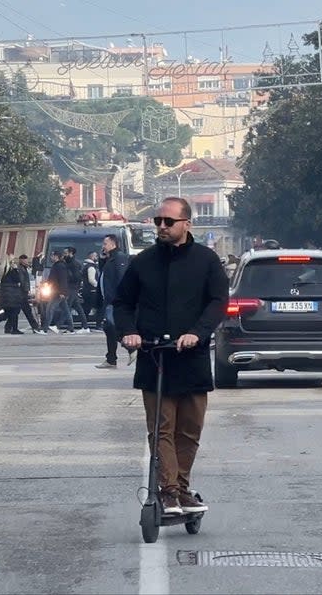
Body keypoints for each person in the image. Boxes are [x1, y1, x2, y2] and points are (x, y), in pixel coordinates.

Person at [114, 197, 229, 516]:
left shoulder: (206, 260)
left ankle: (181, 487)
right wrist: (128, 332)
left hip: (191, 357)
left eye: (168, 222)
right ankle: (168, 492)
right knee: (162, 427)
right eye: (158, 221)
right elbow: (121, 303)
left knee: (190, 429)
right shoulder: (143, 262)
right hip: (154, 356)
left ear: (187, 225)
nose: (161, 227)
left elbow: (218, 301)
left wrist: (198, 332)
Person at [96, 233, 130, 369]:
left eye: (105, 244)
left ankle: (131, 347)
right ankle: (111, 358)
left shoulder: (120, 258)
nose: (103, 247)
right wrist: (102, 259)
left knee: (112, 327)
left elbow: (122, 279)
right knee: (109, 328)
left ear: (113, 244)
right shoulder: (110, 259)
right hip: (108, 300)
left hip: (114, 301)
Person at [0, 256, 25, 334]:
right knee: (13, 312)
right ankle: (13, 329)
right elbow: (18, 279)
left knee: (10, 313)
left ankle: (8, 328)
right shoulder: (12, 270)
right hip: (11, 295)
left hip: (5, 295)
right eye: (13, 261)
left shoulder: (3, 271)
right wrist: (16, 269)